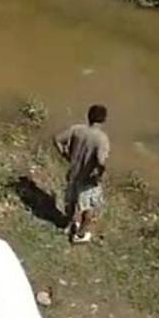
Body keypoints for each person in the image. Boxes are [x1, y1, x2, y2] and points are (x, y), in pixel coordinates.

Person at [54, 104, 110, 244]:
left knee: (72, 201)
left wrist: (65, 154)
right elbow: (100, 161)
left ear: (88, 116)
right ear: (104, 120)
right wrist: (100, 174)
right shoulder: (102, 139)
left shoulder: (77, 130)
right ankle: (80, 234)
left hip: (73, 173)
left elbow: (57, 139)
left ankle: (69, 225)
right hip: (88, 179)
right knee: (89, 207)